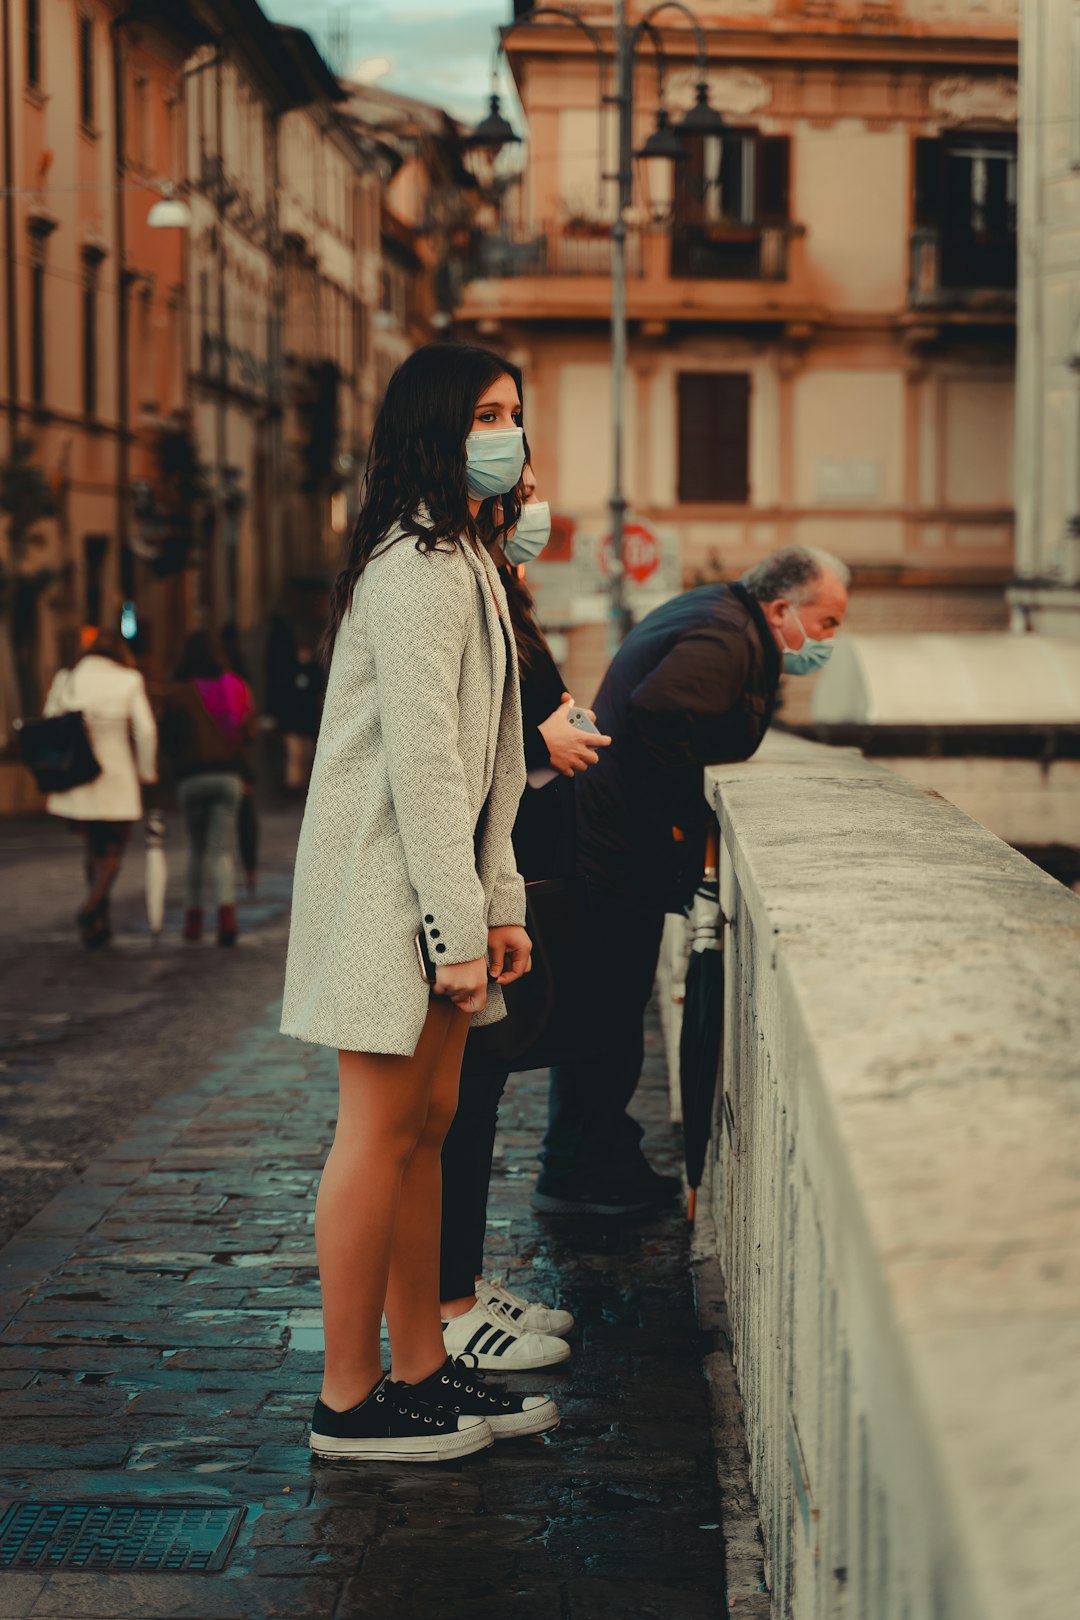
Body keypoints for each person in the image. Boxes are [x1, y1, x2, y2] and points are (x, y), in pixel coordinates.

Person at [280, 343, 559, 1465]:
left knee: (425, 1132)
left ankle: (417, 1371)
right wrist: (457, 923)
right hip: (385, 896)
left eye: (514, 413)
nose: (507, 434)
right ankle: (350, 1403)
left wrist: (498, 906)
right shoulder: (416, 569)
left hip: (431, 893)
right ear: (434, 432)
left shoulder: (462, 563)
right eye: (484, 415)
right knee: (378, 1134)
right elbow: (426, 764)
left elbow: (486, 766)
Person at [535, 545, 850, 1217]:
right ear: (782, 609)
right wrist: (682, 820)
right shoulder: (726, 635)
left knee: (607, 1014)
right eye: (826, 623)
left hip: (608, 839)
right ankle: (578, 1171)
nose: (828, 640)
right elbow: (657, 716)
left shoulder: (723, 619)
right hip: (614, 847)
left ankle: (586, 1159)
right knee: (609, 1016)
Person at [439, 470, 611, 1369]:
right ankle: (449, 1305)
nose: (533, 497)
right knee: (456, 1099)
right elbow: (448, 743)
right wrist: (542, 744)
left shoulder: (499, 586)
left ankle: (459, 1285)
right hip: (475, 880)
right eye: (525, 483)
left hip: (514, 869)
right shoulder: (444, 581)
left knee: (480, 1089)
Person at [43, 630, 158, 949]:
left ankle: (97, 921)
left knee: (92, 848)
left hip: (78, 777)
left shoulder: (67, 678)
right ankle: (91, 907)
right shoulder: (129, 679)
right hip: (116, 776)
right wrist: (146, 771)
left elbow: (50, 720)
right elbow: (145, 731)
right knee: (113, 848)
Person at [161, 630, 255, 947]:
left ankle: (193, 921)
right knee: (220, 851)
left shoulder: (177, 692)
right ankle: (227, 918)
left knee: (195, 850)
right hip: (229, 778)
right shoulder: (236, 688)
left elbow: (168, 739)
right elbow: (250, 733)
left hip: (191, 779)